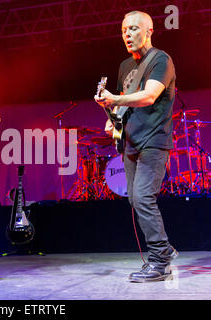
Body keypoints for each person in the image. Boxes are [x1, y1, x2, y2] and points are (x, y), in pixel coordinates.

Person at [94, 11, 178, 282]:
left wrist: (115, 98)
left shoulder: (160, 60)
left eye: (132, 29)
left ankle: (159, 261)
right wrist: (113, 118)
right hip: (131, 142)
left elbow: (150, 95)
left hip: (154, 141)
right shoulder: (124, 66)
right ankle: (163, 250)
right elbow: (123, 104)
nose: (127, 35)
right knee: (134, 198)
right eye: (123, 31)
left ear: (149, 31)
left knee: (143, 197)